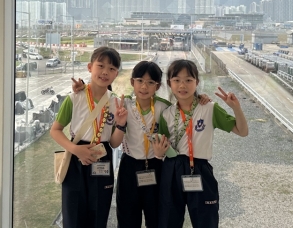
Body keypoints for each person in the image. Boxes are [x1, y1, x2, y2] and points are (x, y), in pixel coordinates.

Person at [71, 60, 211, 228]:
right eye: (140, 81)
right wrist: (83, 87)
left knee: (157, 218)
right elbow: (101, 97)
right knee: (127, 218)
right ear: (132, 82)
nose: (144, 87)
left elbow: (184, 105)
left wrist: (200, 97)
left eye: (150, 82)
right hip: (129, 166)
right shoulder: (123, 104)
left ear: (158, 86)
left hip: (157, 167)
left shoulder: (164, 107)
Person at [155, 59, 248, 228]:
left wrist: (236, 108)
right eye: (177, 80)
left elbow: (242, 131)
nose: (182, 85)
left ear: (197, 82)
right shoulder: (167, 113)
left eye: (188, 80)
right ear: (169, 83)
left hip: (199, 168)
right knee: (168, 220)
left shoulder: (209, 108)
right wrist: (158, 153)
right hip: (172, 168)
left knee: (206, 220)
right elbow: (162, 146)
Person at [50, 46, 128, 228]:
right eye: (100, 66)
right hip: (75, 159)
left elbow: (114, 143)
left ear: (116, 74)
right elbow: (55, 130)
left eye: (111, 68)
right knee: (73, 216)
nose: (105, 72)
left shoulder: (116, 102)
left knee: (99, 216)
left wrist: (121, 124)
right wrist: (76, 150)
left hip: (102, 157)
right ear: (90, 67)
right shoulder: (74, 98)